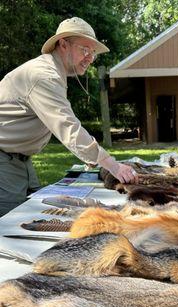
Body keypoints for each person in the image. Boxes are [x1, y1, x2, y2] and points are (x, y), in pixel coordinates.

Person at [0, 17, 137, 217]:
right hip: (4, 159)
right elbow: (69, 129)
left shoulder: (54, 73)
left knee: (35, 212)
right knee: (9, 226)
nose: (90, 57)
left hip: (19, 159)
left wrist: (93, 159)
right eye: (85, 49)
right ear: (63, 44)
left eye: (93, 53)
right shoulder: (44, 76)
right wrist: (112, 165)